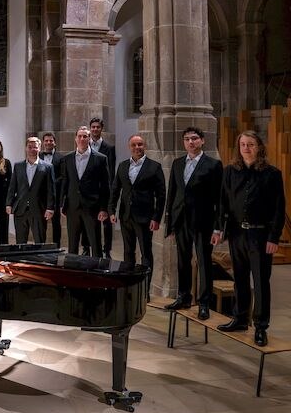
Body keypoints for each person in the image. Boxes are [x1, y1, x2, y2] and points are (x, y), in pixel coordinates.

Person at [212, 131, 285, 346]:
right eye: (243, 144)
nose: (246, 148)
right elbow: (223, 203)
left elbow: (279, 209)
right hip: (236, 234)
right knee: (240, 278)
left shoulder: (272, 174)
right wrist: (218, 230)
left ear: (259, 147)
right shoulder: (230, 172)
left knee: (261, 281)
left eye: (250, 144)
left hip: (261, 235)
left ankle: (261, 326)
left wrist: (274, 237)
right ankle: (240, 318)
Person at [164, 127, 223, 320]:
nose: (191, 142)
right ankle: (184, 296)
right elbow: (172, 194)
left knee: (204, 262)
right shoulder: (178, 163)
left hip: (203, 221)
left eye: (195, 138)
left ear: (202, 141)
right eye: (187, 139)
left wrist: (218, 226)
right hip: (181, 220)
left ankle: (204, 303)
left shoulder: (213, 165)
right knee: (182, 260)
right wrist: (170, 224)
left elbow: (219, 199)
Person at [108, 134, 166, 292]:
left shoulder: (154, 166)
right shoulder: (122, 166)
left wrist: (156, 218)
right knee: (128, 252)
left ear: (144, 146)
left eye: (140, 144)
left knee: (146, 253)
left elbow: (161, 195)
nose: (137, 148)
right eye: (134, 145)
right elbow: (115, 190)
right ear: (129, 147)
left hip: (145, 218)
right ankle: (129, 286)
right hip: (126, 216)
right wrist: (111, 210)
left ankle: (144, 289)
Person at [61, 126, 110, 257]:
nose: (82, 139)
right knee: (72, 244)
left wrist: (104, 208)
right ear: (75, 139)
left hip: (92, 207)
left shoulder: (100, 158)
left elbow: (105, 186)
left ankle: (97, 272)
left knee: (95, 243)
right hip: (72, 207)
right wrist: (62, 204)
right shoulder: (67, 158)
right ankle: (73, 271)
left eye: (85, 136)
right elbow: (65, 183)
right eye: (80, 136)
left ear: (89, 138)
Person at [6, 136, 55, 243]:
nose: (32, 149)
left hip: (39, 209)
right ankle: (20, 260)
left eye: (35, 147)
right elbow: (12, 186)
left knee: (40, 240)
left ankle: (39, 260)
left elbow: (51, 190)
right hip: (20, 209)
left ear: (39, 148)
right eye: (30, 147)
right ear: (26, 148)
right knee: (20, 241)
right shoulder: (18, 166)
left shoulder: (47, 167)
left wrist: (50, 208)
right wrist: (9, 203)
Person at [89, 118, 116, 258]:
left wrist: (110, 192)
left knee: (106, 223)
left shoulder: (109, 148)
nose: (95, 129)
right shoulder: (84, 145)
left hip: (104, 190)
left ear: (101, 129)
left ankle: (107, 250)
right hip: (90, 192)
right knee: (89, 222)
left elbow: (111, 171)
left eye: (97, 127)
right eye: (92, 127)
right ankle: (87, 248)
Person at [39, 131, 64, 245]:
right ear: (43, 143)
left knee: (56, 222)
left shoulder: (61, 157)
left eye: (51, 140)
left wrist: (51, 183)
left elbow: (63, 176)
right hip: (41, 195)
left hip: (56, 195)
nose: (48, 142)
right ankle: (41, 246)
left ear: (55, 143)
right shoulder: (37, 156)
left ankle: (56, 245)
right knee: (41, 222)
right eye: (46, 141)